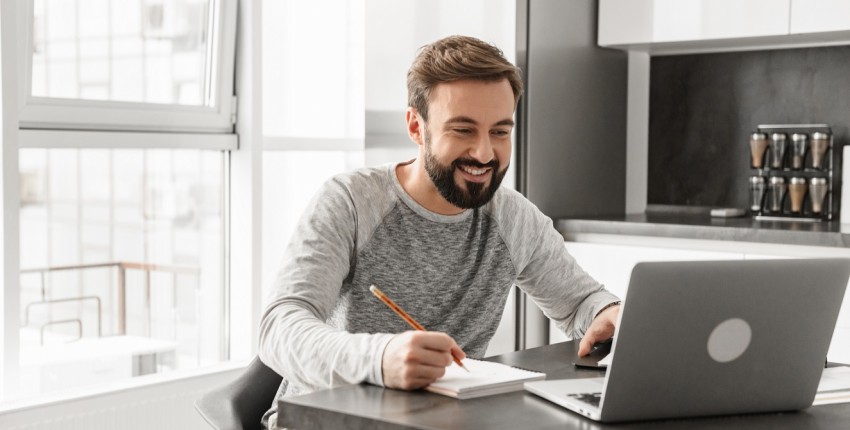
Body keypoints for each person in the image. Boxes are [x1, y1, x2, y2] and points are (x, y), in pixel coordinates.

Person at [258, 34, 621, 428]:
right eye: (463, 130)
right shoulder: (351, 201)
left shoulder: (513, 218)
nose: (484, 154)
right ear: (416, 126)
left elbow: (582, 302)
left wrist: (608, 313)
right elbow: (279, 327)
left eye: (499, 131)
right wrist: (379, 360)